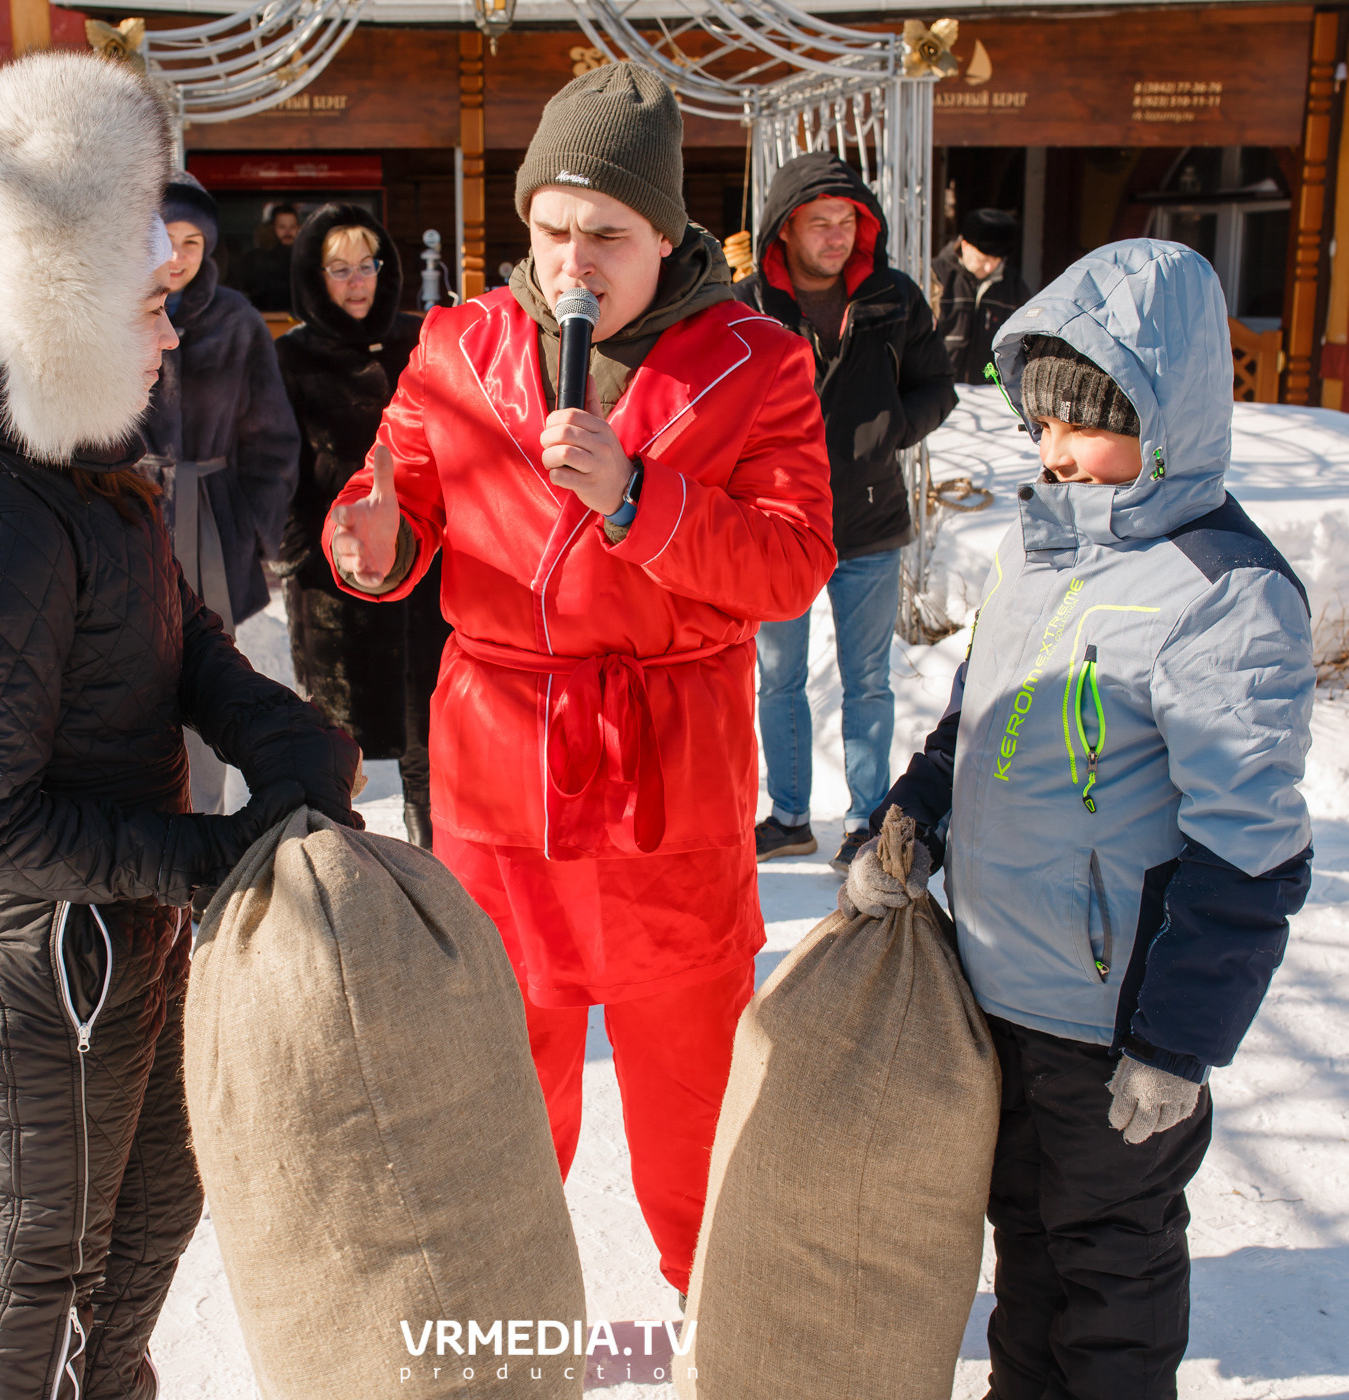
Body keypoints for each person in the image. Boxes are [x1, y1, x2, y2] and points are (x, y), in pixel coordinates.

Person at [324, 63, 835, 1303]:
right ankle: (496, 1325)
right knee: (499, 1086)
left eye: (606, 233)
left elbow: (791, 559)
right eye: (550, 230)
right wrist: (371, 537)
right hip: (503, 777)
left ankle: (710, 1311)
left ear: (667, 231)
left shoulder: (759, 360)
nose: (571, 263)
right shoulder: (461, 345)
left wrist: (639, 498)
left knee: (690, 1094)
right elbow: (393, 499)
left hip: (672, 775)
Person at [0, 54, 360, 1400]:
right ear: (53, 319)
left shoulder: (94, 470)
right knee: (47, 1253)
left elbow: (182, 646)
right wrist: (198, 863)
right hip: (43, 959)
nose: (174, 334)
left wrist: (283, 737)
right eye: (143, 308)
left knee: (161, 1207)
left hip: (127, 935)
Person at [869, 239, 1313, 1400]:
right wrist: (912, 820)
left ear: (1168, 418)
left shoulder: (1222, 590)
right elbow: (974, 725)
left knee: (1112, 1277)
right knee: (1027, 1250)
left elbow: (1250, 848)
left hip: (1116, 1026)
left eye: (1089, 424)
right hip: (999, 995)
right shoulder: (1041, 545)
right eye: (1044, 423)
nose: (1058, 452)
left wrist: (1177, 1043)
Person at [733, 151, 957, 872]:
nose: (836, 237)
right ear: (785, 229)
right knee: (779, 678)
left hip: (869, 522)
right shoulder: (749, 306)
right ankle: (790, 816)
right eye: (820, 223)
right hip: (777, 524)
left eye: (847, 223)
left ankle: (865, 818)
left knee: (868, 681)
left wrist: (889, 426)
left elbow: (939, 385)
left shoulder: (891, 295)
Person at [274, 204, 448, 847]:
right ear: (316, 276)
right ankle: (335, 868)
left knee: (426, 729)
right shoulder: (291, 356)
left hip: (421, 566)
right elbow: (276, 460)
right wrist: (300, 552)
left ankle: (430, 858)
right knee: (332, 738)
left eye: (366, 265)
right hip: (332, 578)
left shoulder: (423, 337)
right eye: (339, 268)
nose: (356, 282)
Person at [144, 172, 301, 814]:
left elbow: (271, 436)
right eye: (164, 239)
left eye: (192, 243)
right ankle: (146, 813)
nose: (177, 258)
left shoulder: (236, 318)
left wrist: (258, 529)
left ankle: (202, 816)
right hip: (129, 504)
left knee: (208, 666)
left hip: (211, 512)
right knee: (130, 662)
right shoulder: (109, 311)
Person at [930, 207, 1030, 385]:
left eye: (996, 261)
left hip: (991, 395)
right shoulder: (934, 277)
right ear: (964, 245)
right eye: (983, 260)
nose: (989, 268)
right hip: (940, 389)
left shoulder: (1015, 287)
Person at [237, 201, 300, 312]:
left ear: (298, 229)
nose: (288, 232)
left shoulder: (305, 259)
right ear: (272, 228)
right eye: (282, 227)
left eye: (292, 227)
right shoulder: (256, 260)